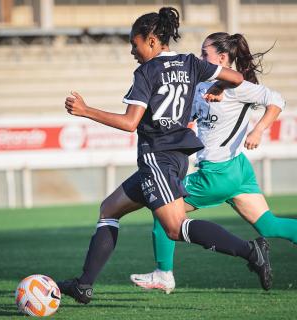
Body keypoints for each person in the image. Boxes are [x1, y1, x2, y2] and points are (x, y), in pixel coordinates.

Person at [57, 8, 273, 305]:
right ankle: (83, 285)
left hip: (157, 157)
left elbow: (130, 122)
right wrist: (220, 86)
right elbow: (236, 76)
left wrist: (86, 110)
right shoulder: (190, 63)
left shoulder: (146, 72)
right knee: (109, 209)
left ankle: (251, 251)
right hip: (175, 157)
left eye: (135, 44)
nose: (133, 50)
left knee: (174, 227)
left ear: (152, 40)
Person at [130, 32, 297, 294]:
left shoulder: (239, 87)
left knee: (163, 209)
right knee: (269, 225)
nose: (201, 58)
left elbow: (276, 100)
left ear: (223, 58)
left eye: (206, 54)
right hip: (237, 170)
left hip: (218, 173)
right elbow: (186, 114)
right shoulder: (204, 86)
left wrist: (258, 130)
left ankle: (164, 273)